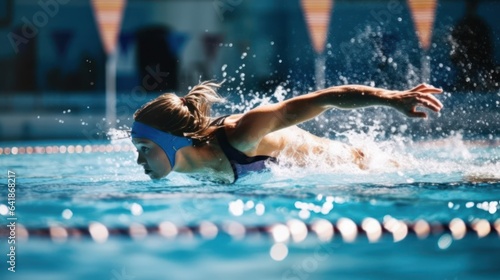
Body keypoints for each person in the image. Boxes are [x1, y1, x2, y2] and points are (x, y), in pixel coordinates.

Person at [131, 81, 443, 184]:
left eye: (145, 148)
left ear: (174, 141)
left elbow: (324, 99)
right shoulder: (191, 168)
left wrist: (391, 99)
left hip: (364, 168)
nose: (138, 160)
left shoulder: (242, 133)